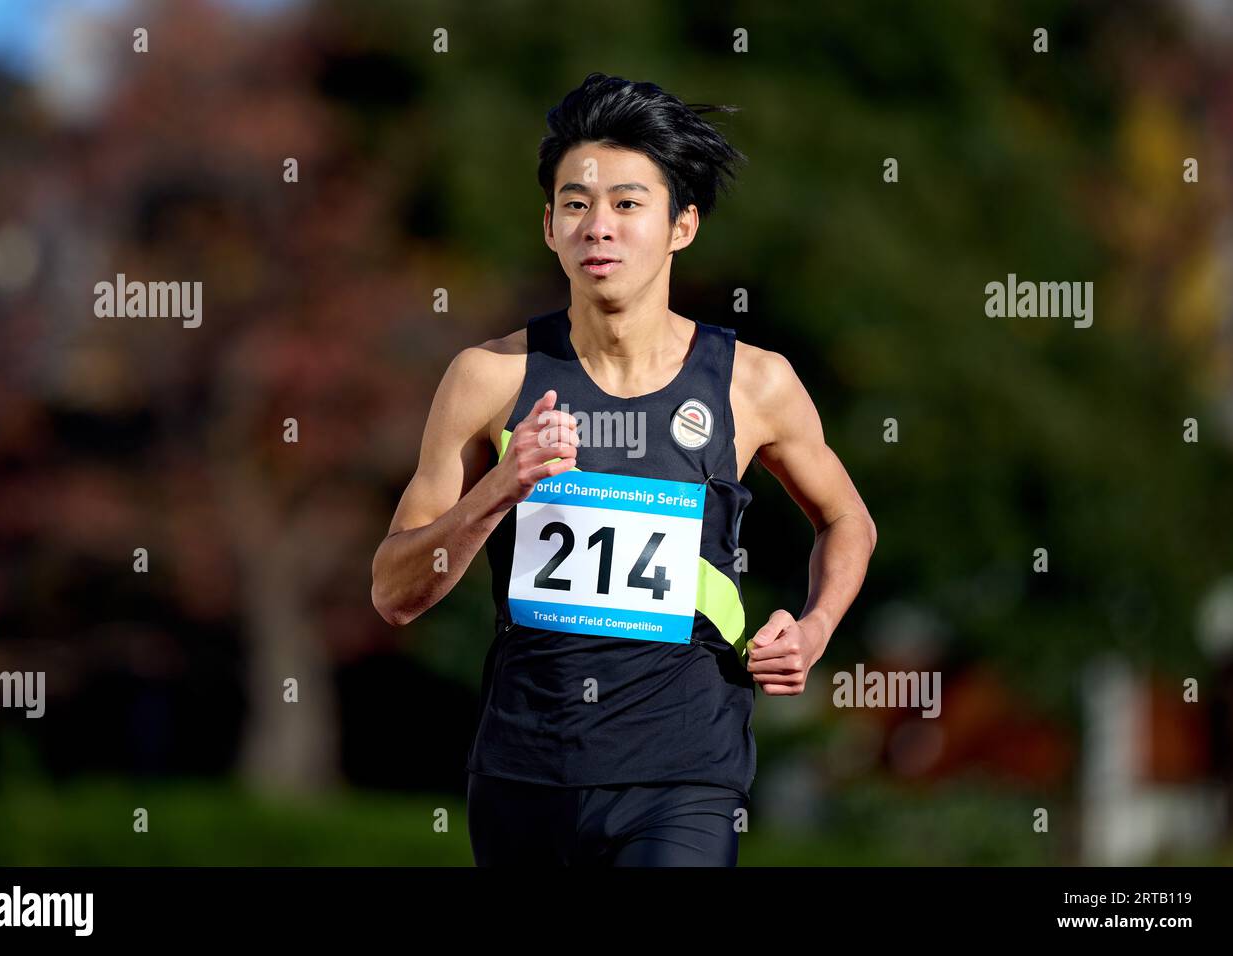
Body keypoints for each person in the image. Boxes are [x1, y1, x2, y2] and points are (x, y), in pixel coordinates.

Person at [371, 73, 877, 866]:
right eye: (576, 204)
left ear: (682, 225)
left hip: (684, 774)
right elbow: (394, 592)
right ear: (548, 226)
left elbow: (849, 519)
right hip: (523, 775)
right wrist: (498, 492)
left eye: (628, 204)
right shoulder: (490, 380)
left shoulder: (753, 383)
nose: (598, 226)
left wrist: (812, 630)